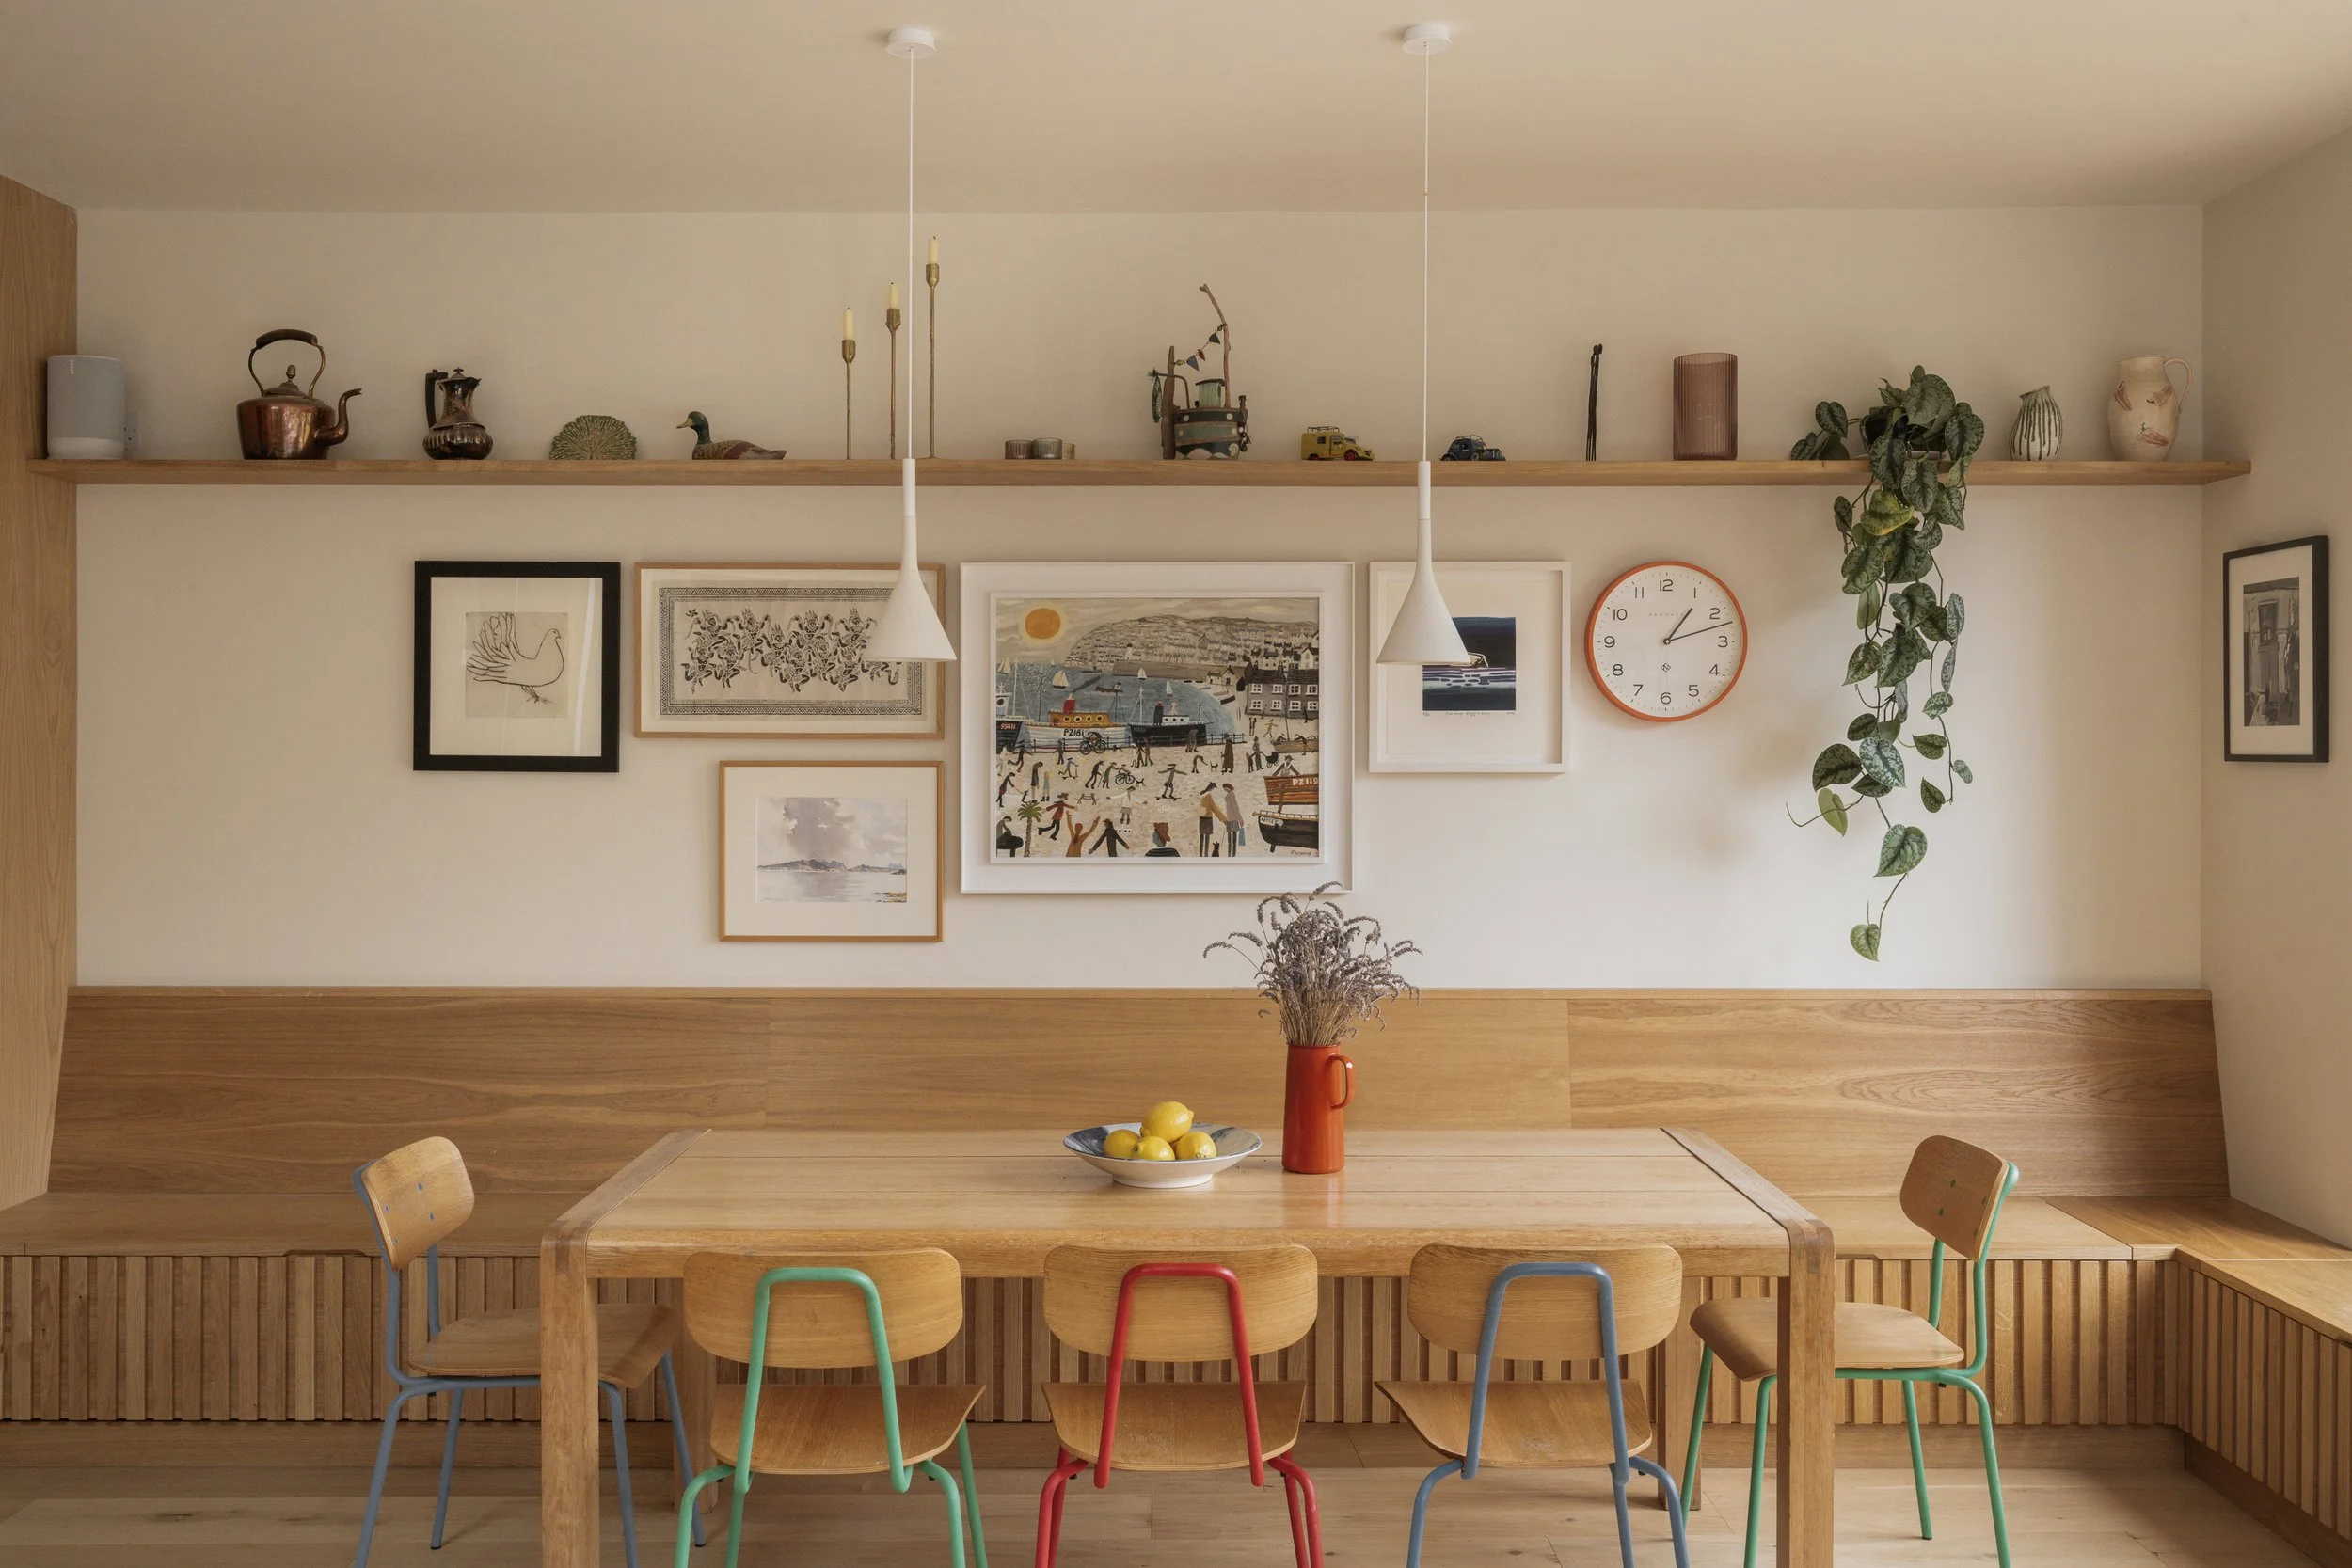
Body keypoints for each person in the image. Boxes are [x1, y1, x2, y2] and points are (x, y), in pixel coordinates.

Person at [1197, 785, 1226, 856]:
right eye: (1213, 788)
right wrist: (1223, 819)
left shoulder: (1201, 794)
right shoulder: (1208, 796)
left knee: (1201, 839)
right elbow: (1214, 808)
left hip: (1202, 818)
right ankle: (1205, 855)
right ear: (1211, 788)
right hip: (1208, 819)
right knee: (1207, 839)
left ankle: (1200, 855)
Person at [1221, 782, 1244, 858]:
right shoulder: (1229, 795)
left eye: (1225, 788)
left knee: (1232, 840)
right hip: (1230, 819)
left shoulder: (1231, 795)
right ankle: (1230, 855)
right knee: (1230, 839)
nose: (1224, 790)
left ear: (1228, 787)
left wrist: (1240, 820)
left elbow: (1235, 808)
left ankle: (1232, 855)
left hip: (1233, 819)